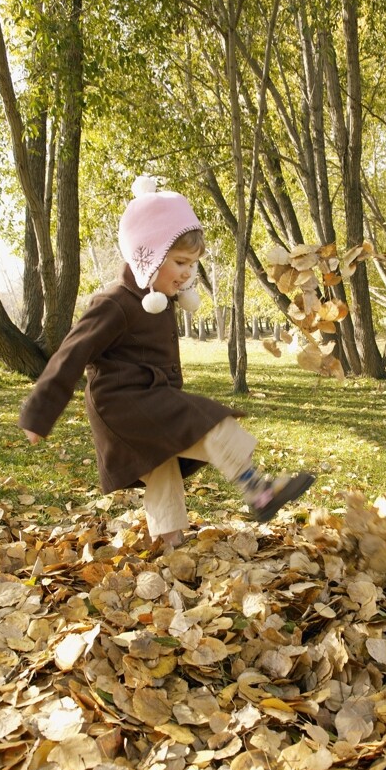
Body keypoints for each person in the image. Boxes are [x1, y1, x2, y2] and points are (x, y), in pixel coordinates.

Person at [19, 176, 315, 548]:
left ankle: (170, 543)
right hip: (123, 404)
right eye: (179, 262)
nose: (188, 273)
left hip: (145, 399)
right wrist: (38, 414)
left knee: (161, 468)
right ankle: (257, 488)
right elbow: (70, 354)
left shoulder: (158, 296)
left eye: (192, 264)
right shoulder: (115, 302)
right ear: (149, 254)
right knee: (210, 424)